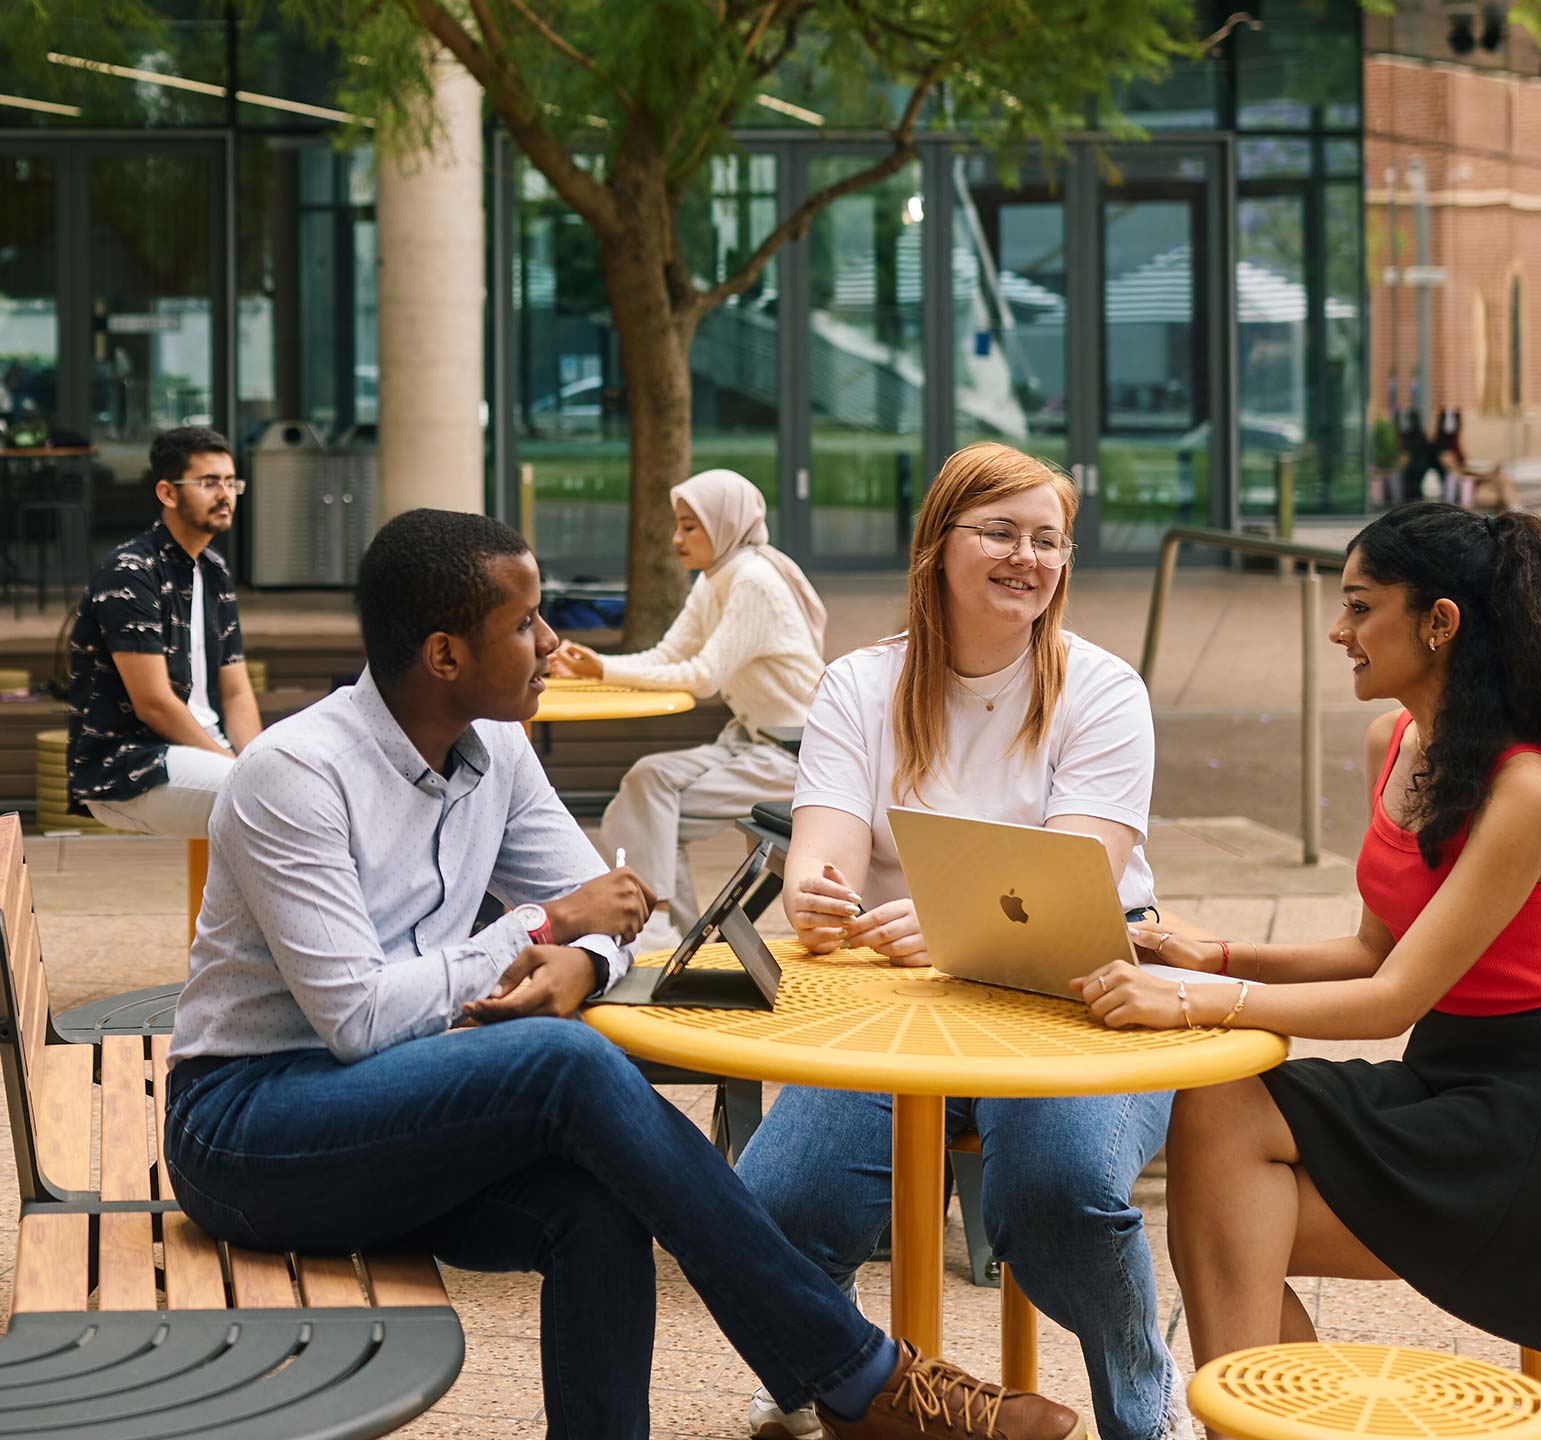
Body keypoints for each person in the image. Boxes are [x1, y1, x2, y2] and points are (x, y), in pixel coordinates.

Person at [163, 508, 1084, 1440]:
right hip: (250, 1126)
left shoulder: (500, 748)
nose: (551, 642)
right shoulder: (295, 775)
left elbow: (615, 911)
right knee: (562, 1064)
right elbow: (359, 1018)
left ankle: (833, 1385)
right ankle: (857, 1376)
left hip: (389, 1107)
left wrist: (579, 954)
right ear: (443, 655)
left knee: (598, 1204)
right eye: (523, 623)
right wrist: (543, 924)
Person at [1075, 502, 1541, 1388]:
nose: (1337, 629)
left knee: (1232, 1215)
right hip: (1446, 1079)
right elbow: (1372, 950)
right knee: (1218, 1109)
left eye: (1360, 606)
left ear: (1440, 623)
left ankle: (1256, 1415)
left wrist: (1193, 1001)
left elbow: (1394, 998)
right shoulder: (1391, 742)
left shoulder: (1532, 790)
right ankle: (1266, 1414)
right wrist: (1219, 956)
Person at [737, 442, 1189, 1440]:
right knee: (771, 1208)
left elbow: (1074, 881)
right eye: (1000, 532)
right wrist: (817, 896)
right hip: (905, 1002)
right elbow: (825, 850)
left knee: (1057, 1194)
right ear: (938, 545)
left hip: (1080, 990)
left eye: (1048, 540)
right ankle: (857, 1383)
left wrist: (945, 927)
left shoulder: (1102, 691)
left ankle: (1141, 1403)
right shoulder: (860, 685)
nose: (1027, 557)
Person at [551, 469, 826, 950]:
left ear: (724, 523)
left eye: (690, 526)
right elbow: (667, 655)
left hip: (800, 754)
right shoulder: (714, 578)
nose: (677, 538)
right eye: (677, 525)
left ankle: (657, 930)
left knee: (653, 811)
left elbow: (701, 677)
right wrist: (599, 667)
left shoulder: (753, 580)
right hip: (749, 740)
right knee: (647, 781)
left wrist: (604, 672)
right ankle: (669, 932)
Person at [68, 425, 261, 837]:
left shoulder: (215, 569)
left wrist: (255, 760)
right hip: (132, 763)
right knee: (268, 801)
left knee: (287, 785)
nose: (225, 494)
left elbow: (236, 692)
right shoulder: (131, 573)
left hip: (206, 750)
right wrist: (241, 770)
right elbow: (154, 703)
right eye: (208, 483)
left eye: (230, 482)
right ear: (167, 493)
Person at [1432, 406, 1522, 513]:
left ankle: (1517, 512)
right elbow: (1457, 475)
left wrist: (1487, 473)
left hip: (1469, 485)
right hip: (1461, 490)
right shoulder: (1443, 449)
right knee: (1500, 492)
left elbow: (1462, 469)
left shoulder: (1453, 445)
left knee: (1505, 481)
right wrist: (1486, 476)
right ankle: (1517, 513)